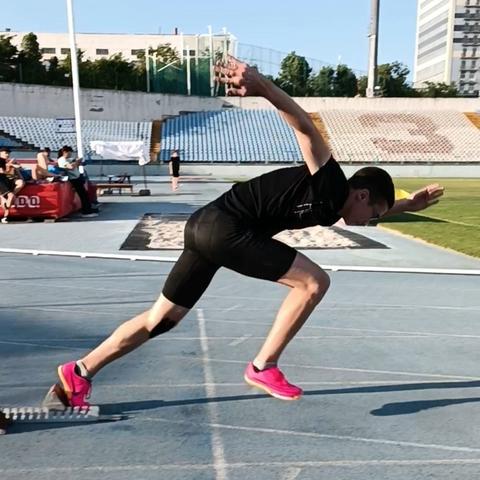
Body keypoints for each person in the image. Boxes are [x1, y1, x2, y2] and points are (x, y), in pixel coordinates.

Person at [54, 56, 444, 407]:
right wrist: (263, 87)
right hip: (226, 228)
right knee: (313, 283)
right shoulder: (332, 183)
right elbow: (305, 127)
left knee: (162, 319)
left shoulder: (337, 205)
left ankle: (80, 371)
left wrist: (407, 206)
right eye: (373, 213)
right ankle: (263, 365)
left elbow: (365, 210)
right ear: (361, 194)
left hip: (203, 227)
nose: (371, 222)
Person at [57, 146, 98, 218]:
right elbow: (70, 167)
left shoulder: (68, 159)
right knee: (83, 195)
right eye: (69, 153)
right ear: (65, 152)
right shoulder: (62, 160)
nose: (70, 154)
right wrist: (77, 162)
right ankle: (86, 211)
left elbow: (77, 164)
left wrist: (79, 162)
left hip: (77, 177)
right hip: (73, 179)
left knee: (85, 194)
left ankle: (88, 209)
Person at [0, 156, 15, 224]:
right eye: (5, 152)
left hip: (5, 180)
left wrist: (10, 166)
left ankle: (5, 216)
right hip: (1, 181)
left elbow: (5, 171)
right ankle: (5, 215)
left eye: (8, 153)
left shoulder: (3, 160)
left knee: (10, 197)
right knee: (10, 196)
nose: (7, 154)